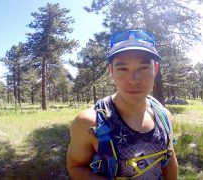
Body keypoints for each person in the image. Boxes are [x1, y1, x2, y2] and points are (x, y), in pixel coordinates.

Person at [67, 29, 178, 179]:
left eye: (143, 68)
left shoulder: (164, 116)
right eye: (123, 69)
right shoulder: (88, 122)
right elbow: (75, 167)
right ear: (111, 71)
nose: (133, 79)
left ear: (155, 69)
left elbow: (169, 159)